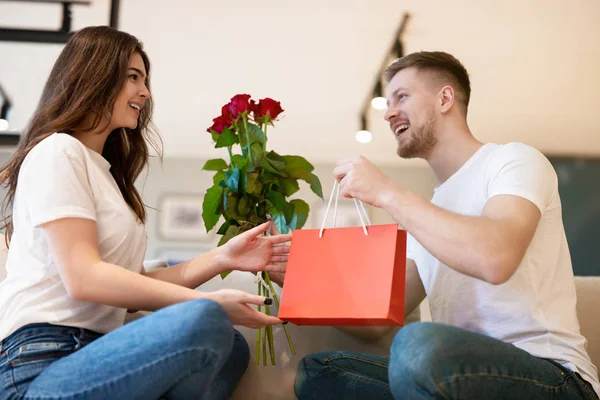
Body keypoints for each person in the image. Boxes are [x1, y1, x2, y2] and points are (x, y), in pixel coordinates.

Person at [0, 26, 291, 400]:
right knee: (205, 321)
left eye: (145, 80)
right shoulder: (58, 151)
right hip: (44, 360)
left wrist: (223, 257)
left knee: (232, 347)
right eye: (133, 77)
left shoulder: (106, 176)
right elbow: (84, 278)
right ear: (95, 75)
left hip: (94, 351)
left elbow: (131, 286)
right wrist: (208, 302)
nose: (145, 93)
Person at [293, 51, 600, 400]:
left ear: (445, 98)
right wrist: (295, 277)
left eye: (402, 97)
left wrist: (387, 192)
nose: (388, 112)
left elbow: (495, 258)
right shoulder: (430, 214)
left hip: (553, 378)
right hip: (451, 382)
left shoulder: (513, 161)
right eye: (388, 102)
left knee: (417, 343)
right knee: (320, 372)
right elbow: (377, 320)